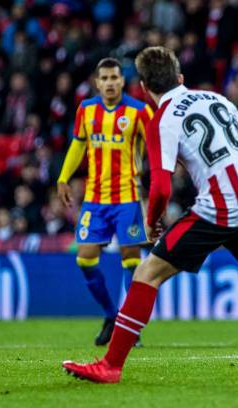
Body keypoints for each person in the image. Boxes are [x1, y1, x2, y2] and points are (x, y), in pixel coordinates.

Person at [62, 46, 238, 383]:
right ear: (180, 78)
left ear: (142, 88)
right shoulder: (215, 99)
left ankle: (110, 365)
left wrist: (153, 221)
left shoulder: (162, 121)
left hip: (221, 206)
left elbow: (161, 188)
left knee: (147, 274)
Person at [57, 58, 153, 346]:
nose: (110, 82)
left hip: (128, 199)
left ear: (123, 81)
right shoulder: (86, 110)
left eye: (115, 77)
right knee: (85, 257)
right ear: (97, 82)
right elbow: (78, 144)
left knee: (131, 258)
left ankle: (130, 326)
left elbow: (157, 147)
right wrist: (63, 178)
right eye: (105, 78)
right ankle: (112, 315)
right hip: (95, 199)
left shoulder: (139, 111)